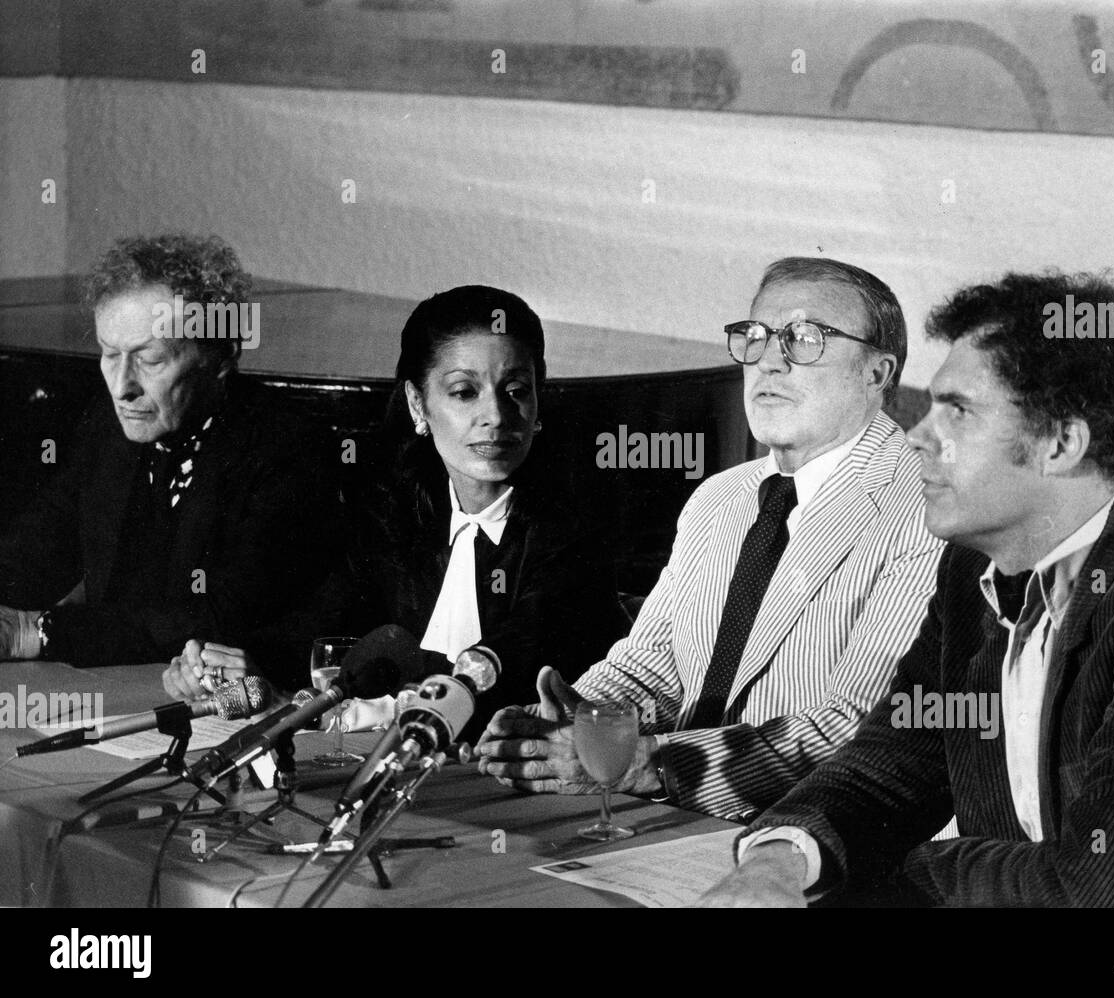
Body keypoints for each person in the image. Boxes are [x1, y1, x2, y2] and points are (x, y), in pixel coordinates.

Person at [699, 270, 1114, 907]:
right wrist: (779, 859)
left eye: (957, 411)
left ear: (1062, 443)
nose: (916, 436)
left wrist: (889, 874)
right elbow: (898, 759)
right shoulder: (974, 568)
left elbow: (1093, 891)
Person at [476, 257, 943, 821]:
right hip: (675, 823)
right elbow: (652, 666)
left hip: (825, 847)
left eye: (804, 338)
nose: (769, 361)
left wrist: (650, 764)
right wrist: (573, 723)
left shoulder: (926, 504)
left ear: (877, 372)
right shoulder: (719, 498)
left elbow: (860, 727)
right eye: (756, 336)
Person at [162, 285, 628, 742]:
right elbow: (324, 628)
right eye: (465, 392)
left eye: (516, 391)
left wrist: (335, 713)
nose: (497, 416)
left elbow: (491, 680)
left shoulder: (572, 533)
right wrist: (226, 664)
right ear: (416, 404)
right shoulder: (399, 514)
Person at [0, 234, 338, 679]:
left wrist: (36, 633)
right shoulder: (108, 425)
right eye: (108, 354)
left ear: (219, 357)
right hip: (120, 680)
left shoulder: (286, 449)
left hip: (234, 701)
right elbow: (36, 549)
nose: (122, 387)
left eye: (151, 360)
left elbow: (216, 619)